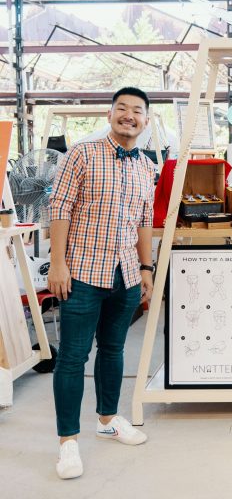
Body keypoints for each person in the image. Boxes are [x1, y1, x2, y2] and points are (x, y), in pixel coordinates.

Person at [48, 87, 156, 479]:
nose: (129, 115)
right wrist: (57, 264)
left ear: (146, 121)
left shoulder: (146, 166)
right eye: (122, 108)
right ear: (110, 114)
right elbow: (59, 207)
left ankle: (108, 420)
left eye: (137, 110)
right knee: (73, 357)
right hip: (81, 272)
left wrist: (146, 268)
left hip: (126, 273)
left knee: (113, 349)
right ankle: (68, 442)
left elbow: (144, 220)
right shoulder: (82, 153)